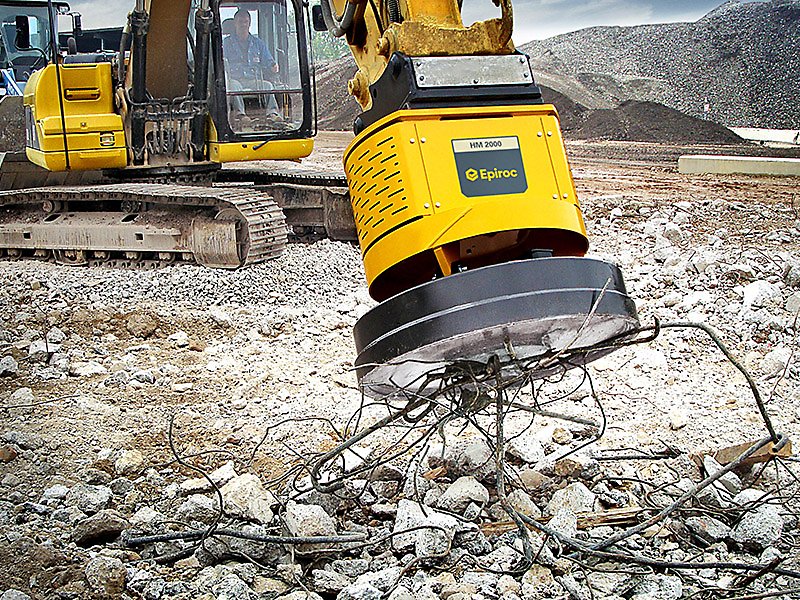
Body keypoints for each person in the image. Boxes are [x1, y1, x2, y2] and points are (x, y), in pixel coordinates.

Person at [223, 8, 279, 86]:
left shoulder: (259, 44)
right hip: (234, 80)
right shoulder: (226, 43)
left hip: (254, 80)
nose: (243, 24)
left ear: (250, 24)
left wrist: (273, 66)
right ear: (235, 23)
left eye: (246, 22)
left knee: (268, 86)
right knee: (234, 87)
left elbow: (268, 61)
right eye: (240, 22)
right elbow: (221, 64)